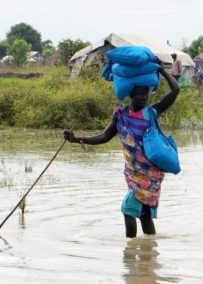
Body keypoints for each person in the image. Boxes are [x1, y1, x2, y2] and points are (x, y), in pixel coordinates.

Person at [64, 66, 180, 237]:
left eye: (145, 94)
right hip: (133, 173)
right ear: (130, 95)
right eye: (139, 94)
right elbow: (104, 136)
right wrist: (77, 139)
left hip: (150, 173)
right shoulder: (121, 115)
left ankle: (130, 250)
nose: (143, 98)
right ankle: (149, 255)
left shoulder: (151, 113)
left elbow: (176, 89)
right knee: (144, 215)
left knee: (128, 209)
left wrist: (161, 69)